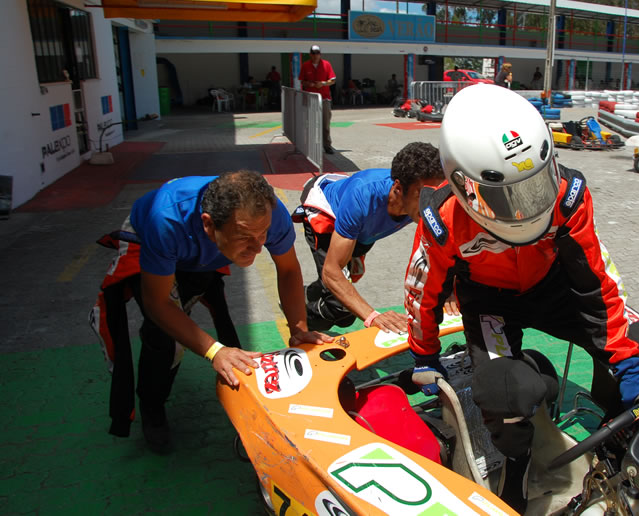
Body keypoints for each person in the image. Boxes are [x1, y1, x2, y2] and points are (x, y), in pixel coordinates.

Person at [404, 85, 639, 513]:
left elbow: (597, 279)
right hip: (491, 303)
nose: (527, 207)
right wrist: (424, 356)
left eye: (535, 184)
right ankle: (517, 473)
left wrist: (625, 363)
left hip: (557, 289)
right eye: (505, 193)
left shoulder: (570, 193)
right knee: (503, 394)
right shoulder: (441, 220)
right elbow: (423, 291)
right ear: (462, 182)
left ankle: (618, 446)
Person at [90, 170, 329, 453]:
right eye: (245, 237)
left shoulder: (267, 212)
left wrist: (299, 328)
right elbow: (158, 302)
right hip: (150, 239)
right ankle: (151, 406)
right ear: (208, 225)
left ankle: (165, 342)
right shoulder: (166, 221)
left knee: (179, 323)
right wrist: (214, 351)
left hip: (202, 251)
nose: (258, 247)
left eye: (262, 234)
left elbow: (288, 269)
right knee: (165, 337)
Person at [295, 142, 445, 333]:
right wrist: (373, 316)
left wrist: (450, 294)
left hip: (363, 231)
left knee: (341, 292)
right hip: (326, 214)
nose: (430, 203)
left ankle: (307, 293)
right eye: (422, 194)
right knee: (340, 308)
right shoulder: (362, 197)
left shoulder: (423, 201)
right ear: (398, 189)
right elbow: (332, 272)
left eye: (435, 193)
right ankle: (300, 327)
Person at [300, 44, 337, 154]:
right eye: (314, 53)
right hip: (310, 97)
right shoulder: (305, 65)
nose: (316, 55)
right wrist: (310, 84)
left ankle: (327, 145)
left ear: (320, 54)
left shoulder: (326, 64)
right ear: (310, 54)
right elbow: (302, 81)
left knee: (325, 124)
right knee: (310, 123)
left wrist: (323, 83)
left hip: (324, 98)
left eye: (317, 53)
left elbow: (333, 80)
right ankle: (310, 145)